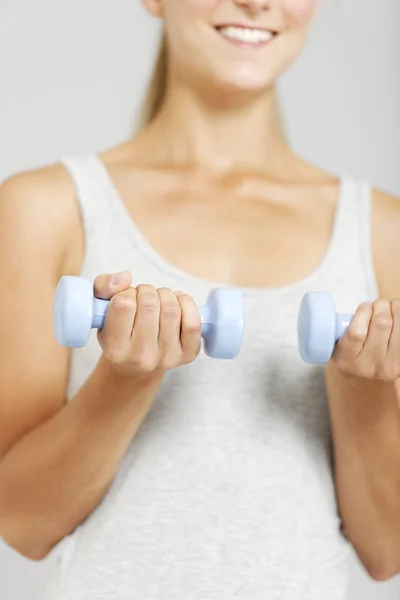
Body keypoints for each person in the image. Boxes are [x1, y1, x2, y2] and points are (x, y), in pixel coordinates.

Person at [1, 0, 400, 598]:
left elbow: (386, 550)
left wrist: (362, 385)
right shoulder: (43, 209)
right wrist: (126, 379)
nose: (259, 3)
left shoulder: (383, 230)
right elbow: (21, 523)